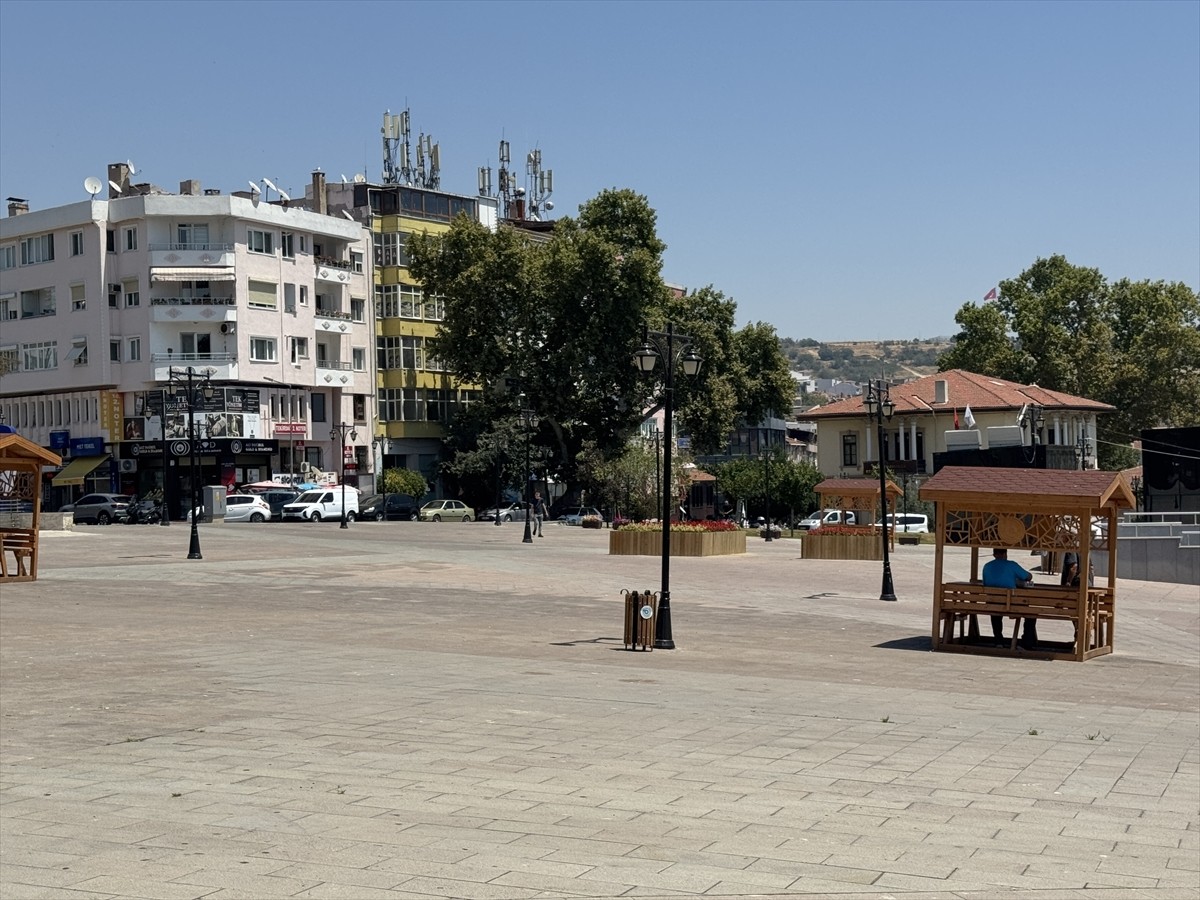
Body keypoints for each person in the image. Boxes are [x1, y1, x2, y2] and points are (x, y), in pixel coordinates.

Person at [982, 548, 1034, 647]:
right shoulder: (1012, 565)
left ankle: (998, 641)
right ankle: (1027, 642)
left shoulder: (987, 566)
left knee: (995, 611)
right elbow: (1028, 577)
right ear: (1005, 554)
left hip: (992, 603)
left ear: (994, 554)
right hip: (1011, 604)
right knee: (1031, 613)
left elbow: (985, 583)